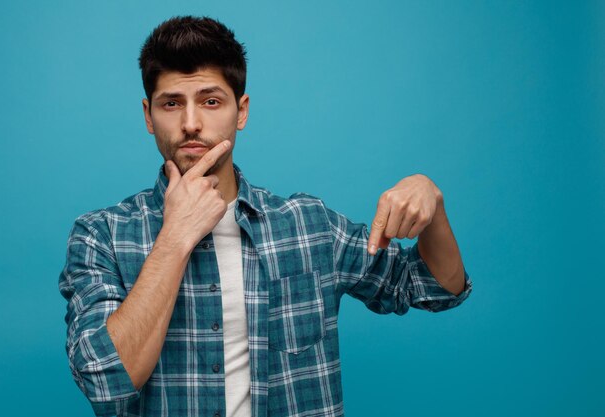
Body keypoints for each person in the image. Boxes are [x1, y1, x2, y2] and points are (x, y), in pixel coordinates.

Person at [58, 15, 472, 417]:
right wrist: (175, 237)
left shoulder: (308, 225)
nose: (190, 123)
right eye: (172, 104)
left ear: (241, 111)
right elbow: (106, 383)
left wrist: (432, 202)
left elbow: (435, 288)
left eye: (211, 101)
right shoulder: (102, 236)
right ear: (149, 116)